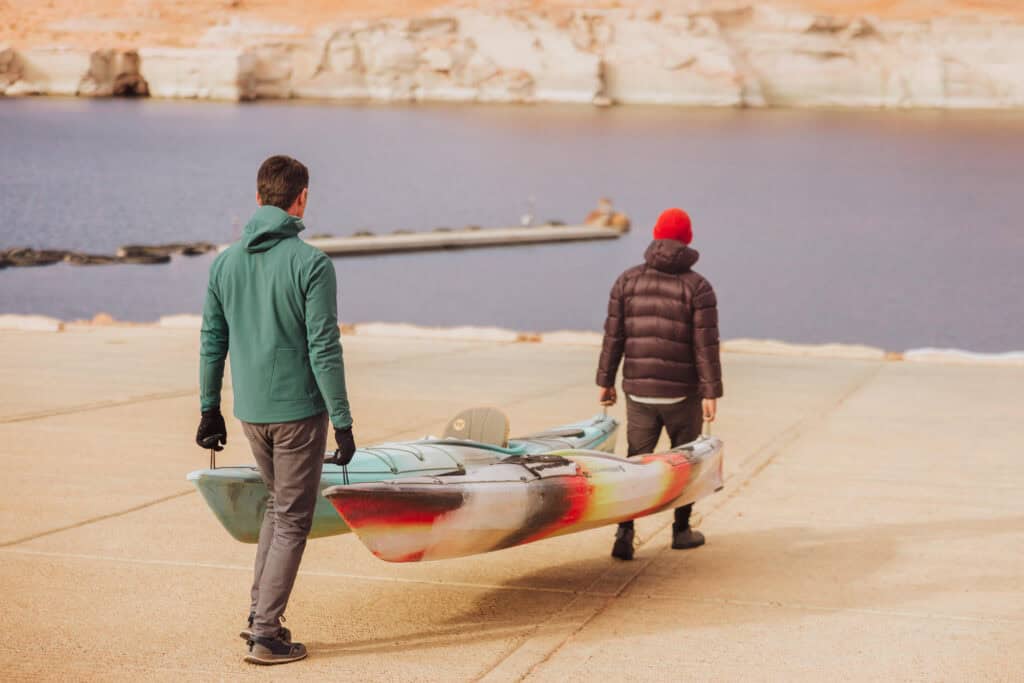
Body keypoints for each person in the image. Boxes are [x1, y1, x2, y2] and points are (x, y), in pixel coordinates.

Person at [195, 155, 356, 665]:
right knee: (292, 518)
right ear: (301, 198)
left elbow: (211, 340)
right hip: (298, 413)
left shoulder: (224, 262)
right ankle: (267, 633)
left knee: (276, 507)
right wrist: (344, 422)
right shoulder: (312, 264)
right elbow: (324, 349)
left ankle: (258, 616)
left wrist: (208, 410)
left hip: (250, 412)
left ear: (259, 196)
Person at [595, 207, 723, 561]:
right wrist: (711, 392)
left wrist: (605, 381)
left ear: (655, 235)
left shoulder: (627, 281)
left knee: (635, 465)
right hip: (683, 394)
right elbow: (705, 346)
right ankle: (681, 531)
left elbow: (613, 337)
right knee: (686, 464)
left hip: (638, 392)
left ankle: (624, 535)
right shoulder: (698, 287)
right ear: (688, 239)